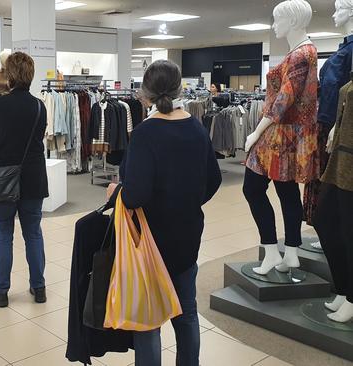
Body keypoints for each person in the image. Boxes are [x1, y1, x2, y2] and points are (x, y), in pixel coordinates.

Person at [107, 60, 222, 366]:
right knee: (186, 312)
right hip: (187, 235)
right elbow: (214, 180)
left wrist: (116, 192)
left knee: (149, 321)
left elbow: (135, 195)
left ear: (145, 93)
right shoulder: (197, 128)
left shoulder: (147, 133)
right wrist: (186, 202)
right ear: (179, 87)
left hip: (151, 242)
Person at [0, 52, 49, 308]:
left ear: (10, 74)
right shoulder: (40, 106)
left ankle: (1, 290)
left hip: (2, 178)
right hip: (33, 178)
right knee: (34, 234)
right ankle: (39, 287)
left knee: (3, 234)